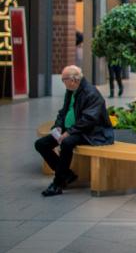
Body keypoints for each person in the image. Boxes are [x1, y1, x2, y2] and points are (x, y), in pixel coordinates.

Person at [34, 66, 113, 197]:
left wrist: (69, 132)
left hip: (91, 132)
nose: (62, 82)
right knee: (41, 144)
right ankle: (66, 175)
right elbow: (63, 111)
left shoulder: (91, 93)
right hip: (73, 129)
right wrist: (58, 126)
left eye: (63, 79)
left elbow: (89, 119)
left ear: (72, 80)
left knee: (66, 143)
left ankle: (58, 183)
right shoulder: (71, 90)